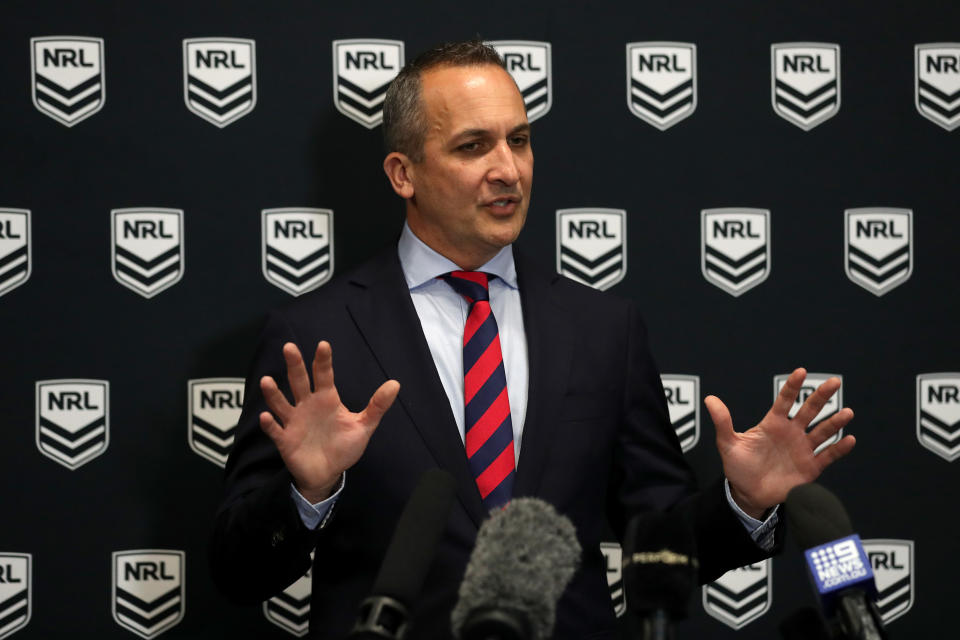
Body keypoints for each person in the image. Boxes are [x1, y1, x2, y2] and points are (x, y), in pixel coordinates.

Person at [210, 40, 855, 639]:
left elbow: (658, 541)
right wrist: (306, 495)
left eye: (519, 141)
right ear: (403, 173)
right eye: (472, 147)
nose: (508, 171)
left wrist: (741, 503)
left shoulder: (605, 329)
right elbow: (240, 572)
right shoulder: (316, 336)